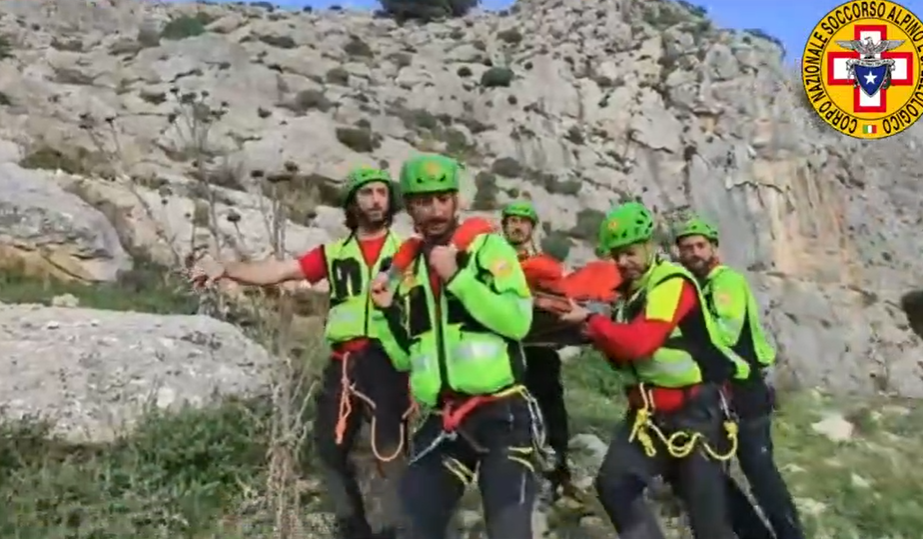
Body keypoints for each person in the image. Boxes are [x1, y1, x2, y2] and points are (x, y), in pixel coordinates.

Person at [189, 166, 411, 539]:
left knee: (390, 454)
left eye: (381, 192)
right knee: (329, 450)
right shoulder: (335, 252)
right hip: (344, 361)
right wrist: (225, 268)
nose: (375, 200)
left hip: (389, 358)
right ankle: (354, 531)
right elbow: (279, 272)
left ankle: (400, 530)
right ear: (352, 203)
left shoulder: (406, 251)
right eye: (366, 193)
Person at [370, 153, 543, 539]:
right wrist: (384, 314)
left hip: (504, 413)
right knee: (409, 526)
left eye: (442, 199)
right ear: (410, 207)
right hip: (445, 418)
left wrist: (458, 278)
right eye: (423, 201)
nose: (434, 210)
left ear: (456, 201)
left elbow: (518, 321)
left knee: (509, 530)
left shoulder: (488, 250)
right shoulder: (409, 270)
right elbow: (406, 355)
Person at [557, 201, 749, 539]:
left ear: (649, 245)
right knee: (614, 484)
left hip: (694, 415)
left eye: (629, 253)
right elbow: (622, 356)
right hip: (648, 413)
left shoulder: (673, 283)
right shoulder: (630, 294)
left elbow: (640, 343)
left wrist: (591, 322)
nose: (621, 262)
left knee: (709, 525)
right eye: (615, 255)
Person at [675, 216, 806, 539]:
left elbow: (725, 334)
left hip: (744, 392)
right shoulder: (697, 289)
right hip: (717, 395)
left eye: (700, 246)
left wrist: (670, 338)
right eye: (687, 248)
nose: (694, 253)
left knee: (760, 475)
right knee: (711, 475)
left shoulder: (725, 282)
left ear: (714, 248)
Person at [500, 200, 574, 498]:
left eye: (523, 221)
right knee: (508, 406)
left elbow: (563, 300)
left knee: (548, 403)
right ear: (504, 225)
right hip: (504, 348)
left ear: (532, 228)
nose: (517, 226)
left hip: (539, 346)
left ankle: (558, 465)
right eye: (512, 220)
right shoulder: (494, 261)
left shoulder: (545, 265)